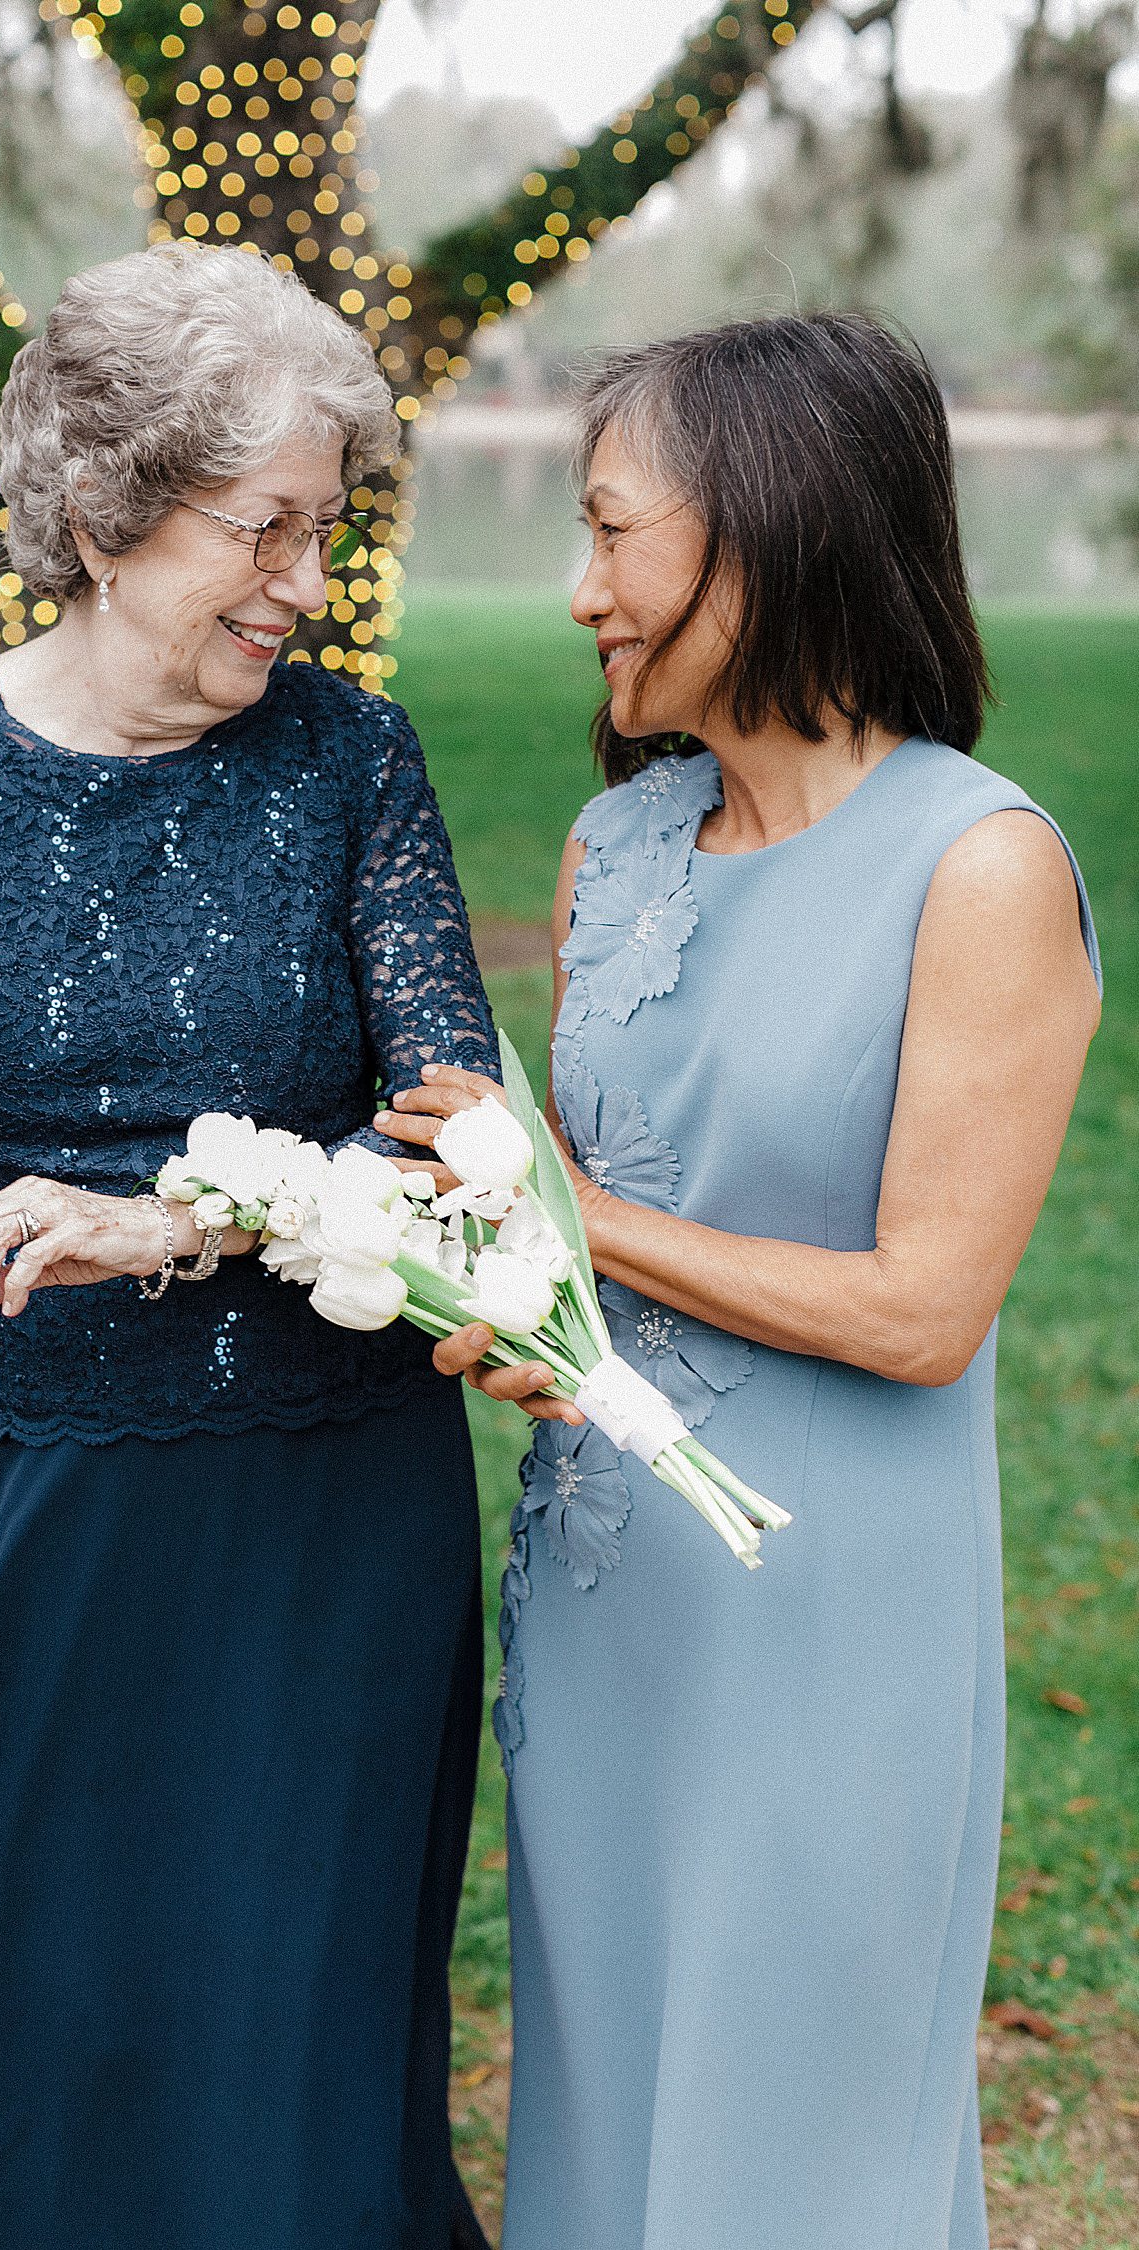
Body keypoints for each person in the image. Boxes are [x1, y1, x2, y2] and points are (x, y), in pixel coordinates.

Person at [0, 243, 495, 2250]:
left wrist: (165, 1218)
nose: (305, 582)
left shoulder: (350, 765)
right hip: (19, 1507)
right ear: (116, 506)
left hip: (326, 1515)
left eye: (325, 530)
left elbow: (465, 1150)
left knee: (275, 2045)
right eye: (265, 528)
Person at [378, 314, 1101, 2250]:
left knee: (799, 2155)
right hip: (611, 1600)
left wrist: (573, 1211)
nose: (579, 591)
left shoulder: (980, 863)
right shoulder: (615, 846)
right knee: (612, 2132)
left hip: (829, 1619)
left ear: (768, 530)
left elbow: (923, 1308)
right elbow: (612, 1227)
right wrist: (530, 1313)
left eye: (614, 532)